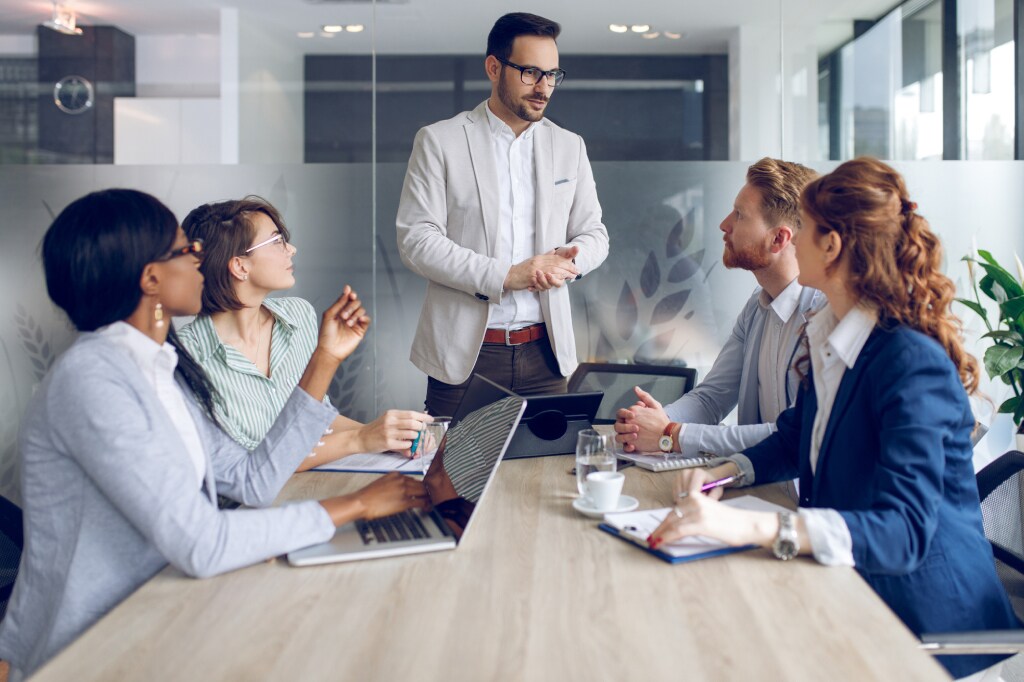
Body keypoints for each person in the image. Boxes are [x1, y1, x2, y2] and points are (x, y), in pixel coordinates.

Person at [0, 190, 429, 680]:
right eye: (186, 250)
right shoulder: (92, 382)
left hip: (161, 612)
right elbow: (201, 543)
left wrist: (325, 360)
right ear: (150, 278)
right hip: (91, 649)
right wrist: (355, 506)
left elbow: (253, 479)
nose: (202, 261)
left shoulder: (160, 369)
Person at [647, 158, 1019, 680]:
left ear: (832, 246)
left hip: (936, 630)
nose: (792, 238)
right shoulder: (833, 336)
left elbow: (906, 531)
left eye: (806, 226)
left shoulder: (909, 362)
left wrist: (747, 526)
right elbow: (794, 437)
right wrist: (721, 473)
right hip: (856, 596)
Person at [396, 12, 610, 417]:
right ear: (494, 68)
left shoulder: (570, 146)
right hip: (466, 358)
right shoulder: (440, 141)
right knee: (453, 479)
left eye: (552, 75)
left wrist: (565, 264)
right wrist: (507, 275)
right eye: (530, 72)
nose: (544, 87)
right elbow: (417, 240)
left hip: (547, 355)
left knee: (545, 477)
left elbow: (594, 233)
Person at [179, 197, 431, 470]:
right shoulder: (188, 356)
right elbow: (253, 465)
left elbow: (316, 417)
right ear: (240, 266)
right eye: (276, 241)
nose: (291, 249)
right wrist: (363, 438)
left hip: (311, 488)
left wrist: (389, 437)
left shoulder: (298, 317)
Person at [615, 158, 823, 457]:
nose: (724, 224)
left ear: (778, 238)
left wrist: (671, 434)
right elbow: (712, 399)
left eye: (740, 215)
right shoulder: (757, 305)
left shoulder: (825, 315)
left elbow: (795, 436)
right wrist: (652, 421)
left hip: (803, 499)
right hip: (750, 486)